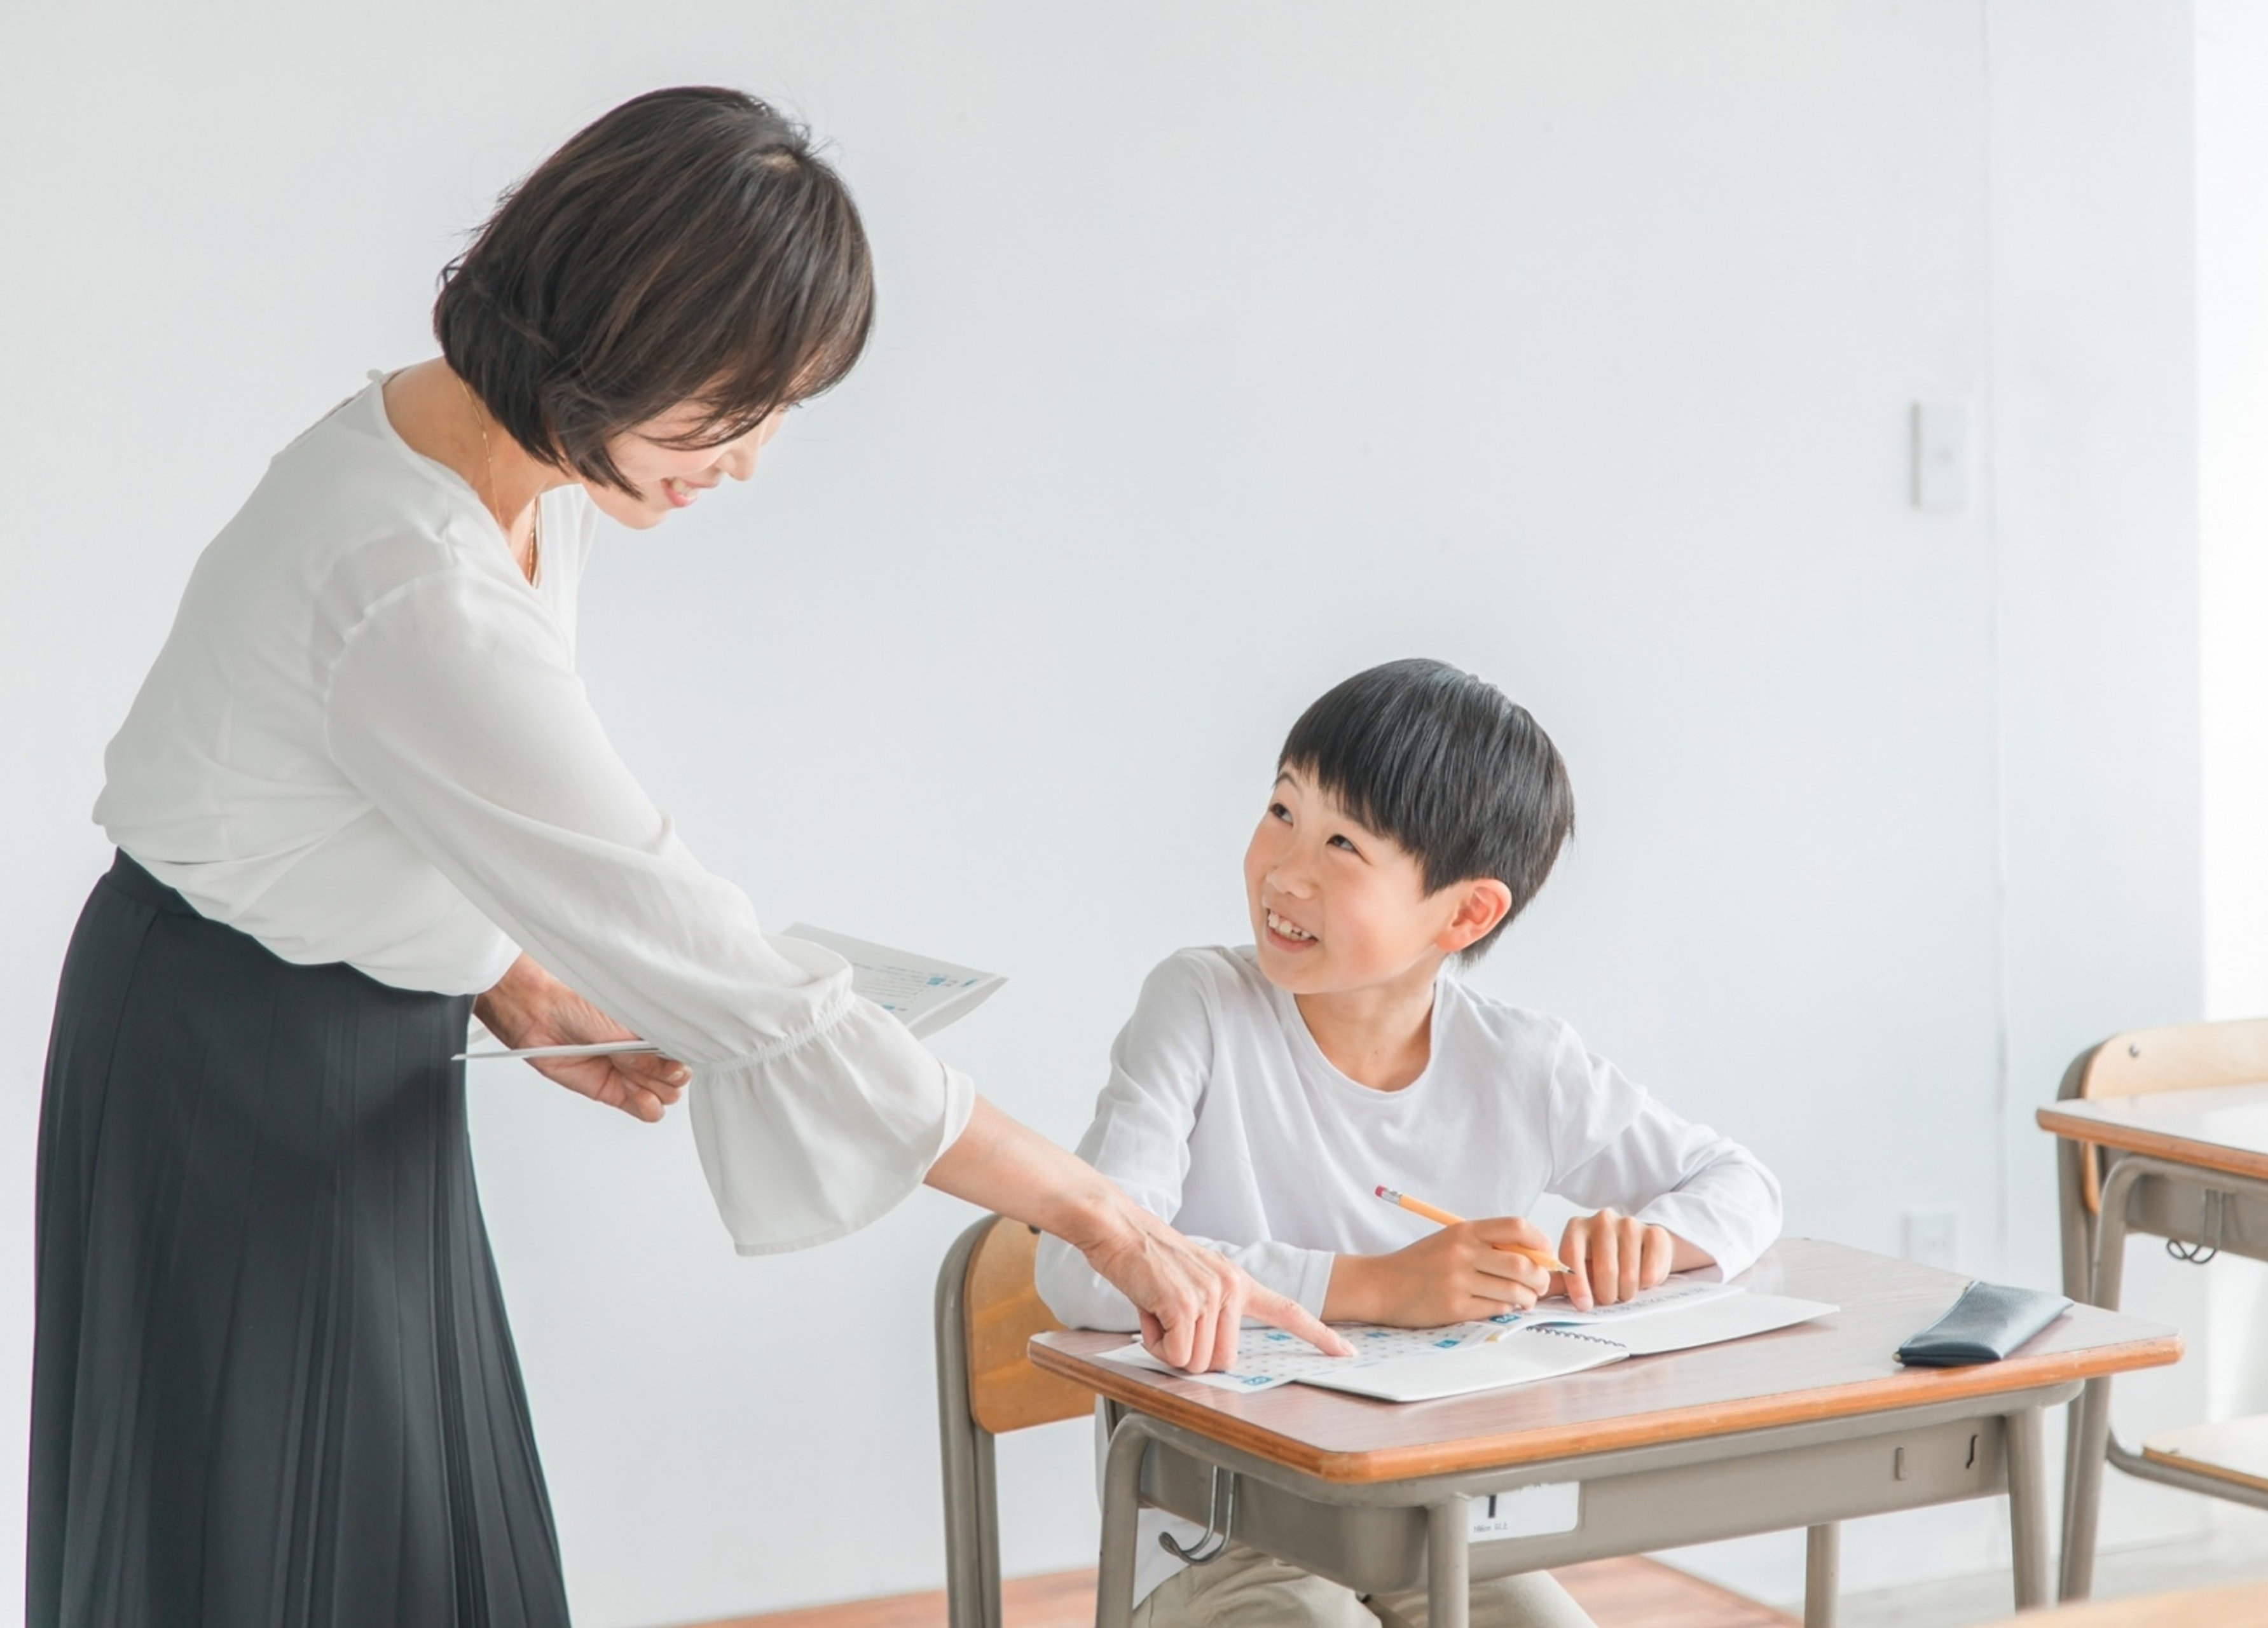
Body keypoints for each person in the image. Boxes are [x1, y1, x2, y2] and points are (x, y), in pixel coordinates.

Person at [31, 86, 1342, 1628]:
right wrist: (1108, 1218)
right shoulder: (412, 576)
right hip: (229, 1070)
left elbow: (365, 802)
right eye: (736, 405)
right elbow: (738, 981)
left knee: (415, 1541)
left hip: (327, 1039)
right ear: (616, 333)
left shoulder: (506, 469)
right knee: (283, 1552)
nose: (749, 460)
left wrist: (507, 978)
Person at [1036, 658, 1782, 1628]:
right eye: (1282, 811)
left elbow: (1739, 1182)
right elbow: (1079, 1269)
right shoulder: (1202, 1006)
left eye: (1342, 843)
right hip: (1215, 1532)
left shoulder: (1521, 1064)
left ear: (1467, 911)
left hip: (1436, 1525)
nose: (1285, 869)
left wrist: (1652, 1240)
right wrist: (1378, 1287)